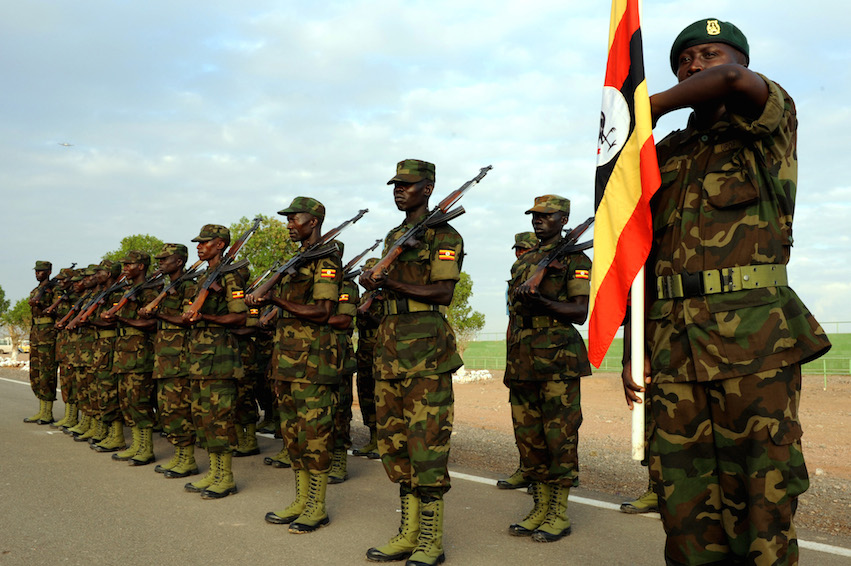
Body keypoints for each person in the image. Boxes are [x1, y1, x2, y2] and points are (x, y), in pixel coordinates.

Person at [621, 19, 832, 565]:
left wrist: (646, 106)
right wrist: (633, 349)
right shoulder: (663, 153)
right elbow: (640, 256)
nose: (693, 64)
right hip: (672, 344)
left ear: (739, 60)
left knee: (762, 494)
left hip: (755, 343)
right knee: (683, 501)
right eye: (683, 60)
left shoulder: (768, 123)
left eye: (708, 54)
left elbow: (734, 82)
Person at [359, 159, 463, 566]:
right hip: (389, 351)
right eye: (395, 185)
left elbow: (443, 293)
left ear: (428, 188)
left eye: (407, 184)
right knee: (395, 445)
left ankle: (430, 540)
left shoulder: (445, 235)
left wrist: (389, 281)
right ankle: (409, 532)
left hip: (426, 355)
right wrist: (372, 287)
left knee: (427, 446)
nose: (399, 190)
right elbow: (386, 287)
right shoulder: (394, 236)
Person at [251, 197, 342, 534]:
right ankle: (301, 500)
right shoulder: (296, 260)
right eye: (288, 219)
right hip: (287, 360)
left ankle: (317, 506)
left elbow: (323, 312)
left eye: (294, 219)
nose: (289, 224)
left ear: (313, 221)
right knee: (292, 435)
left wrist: (275, 299)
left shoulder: (326, 259)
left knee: (314, 435)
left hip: (313, 363)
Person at [504, 195, 591, 543]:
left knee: (560, 437)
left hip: (557, 360)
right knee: (529, 437)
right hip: (522, 357)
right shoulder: (525, 262)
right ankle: (539, 507)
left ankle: (559, 512)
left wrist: (542, 301)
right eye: (535, 215)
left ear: (563, 219)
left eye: (546, 215)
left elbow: (579, 312)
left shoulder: (575, 259)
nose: (538, 220)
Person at [182, 224, 248, 499]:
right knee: (203, 418)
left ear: (220, 244)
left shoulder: (230, 276)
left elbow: (240, 316)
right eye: (198, 243)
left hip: (220, 359)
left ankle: (226, 477)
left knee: (220, 419)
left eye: (205, 242)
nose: (199, 247)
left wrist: (205, 317)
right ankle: (214, 472)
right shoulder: (205, 275)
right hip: (199, 358)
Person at [139, 243, 200, 477]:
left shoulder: (189, 286)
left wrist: (158, 314)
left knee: (180, 409)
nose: (161, 263)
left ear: (179, 262)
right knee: (167, 409)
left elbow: (186, 319)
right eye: (159, 259)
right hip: (164, 358)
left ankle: (188, 459)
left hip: (180, 358)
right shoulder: (167, 287)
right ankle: (179, 455)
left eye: (165, 259)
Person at [102, 251, 160, 465]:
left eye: (129, 264)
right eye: (124, 264)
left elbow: (152, 323)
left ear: (141, 266)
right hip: (123, 353)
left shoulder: (150, 291)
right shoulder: (127, 290)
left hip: (139, 354)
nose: (125, 268)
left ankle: (146, 448)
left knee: (139, 401)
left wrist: (122, 320)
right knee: (126, 401)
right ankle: (136, 444)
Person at [496, 232, 538, 490]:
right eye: (517, 250)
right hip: (519, 353)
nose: (519, 254)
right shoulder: (513, 282)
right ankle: (526, 468)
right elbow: (512, 320)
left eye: (524, 249)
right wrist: (509, 358)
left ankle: (543, 477)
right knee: (522, 417)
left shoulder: (546, 275)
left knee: (544, 420)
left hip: (543, 353)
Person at [328, 252, 360, 484]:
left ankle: (339, 459)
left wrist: (313, 318)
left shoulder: (346, 286)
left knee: (340, 410)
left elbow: (345, 321)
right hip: (312, 353)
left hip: (338, 354)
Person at [351, 257, 382, 460]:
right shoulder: (365, 296)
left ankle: (383, 441)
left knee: (380, 396)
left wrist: (368, 316)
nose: (364, 274)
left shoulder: (386, 295)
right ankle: (373, 438)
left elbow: (386, 321)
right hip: (363, 349)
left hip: (379, 349)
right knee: (365, 394)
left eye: (367, 271)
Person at [25, 261, 59, 424]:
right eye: (36, 271)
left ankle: (47, 412)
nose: (37, 274)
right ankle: (41, 409)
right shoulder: (35, 290)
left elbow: (58, 310)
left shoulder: (55, 290)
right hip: (36, 333)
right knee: (36, 373)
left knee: (47, 373)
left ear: (49, 272)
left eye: (41, 271)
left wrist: (41, 303)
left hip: (47, 334)